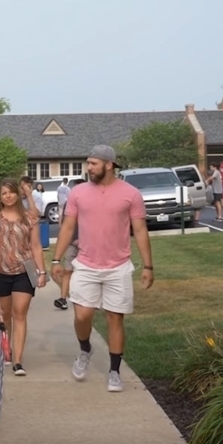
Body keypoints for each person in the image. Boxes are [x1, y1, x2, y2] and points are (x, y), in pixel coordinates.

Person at [51, 145, 154, 393]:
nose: (89, 168)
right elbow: (67, 227)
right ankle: (85, 349)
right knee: (82, 316)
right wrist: (56, 259)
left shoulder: (131, 194)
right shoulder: (78, 193)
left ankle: (115, 371)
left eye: (93, 164)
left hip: (118, 267)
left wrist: (148, 265)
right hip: (85, 265)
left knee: (114, 318)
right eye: (88, 163)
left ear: (109, 165)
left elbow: (140, 230)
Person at [0, 178, 47, 376]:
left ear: (17, 194)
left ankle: (18, 360)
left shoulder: (29, 218)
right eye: (4, 193)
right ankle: (5, 347)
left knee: (20, 313)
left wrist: (41, 272)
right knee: (5, 314)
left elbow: (36, 246)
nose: (8, 196)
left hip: (24, 271)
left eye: (11, 192)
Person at [53, 178, 85, 310]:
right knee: (67, 271)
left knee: (86, 273)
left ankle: (90, 300)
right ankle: (63, 299)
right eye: (75, 188)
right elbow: (67, 226)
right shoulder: (69, 204)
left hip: (88, 245)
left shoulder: (92, 203)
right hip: (72, 243)